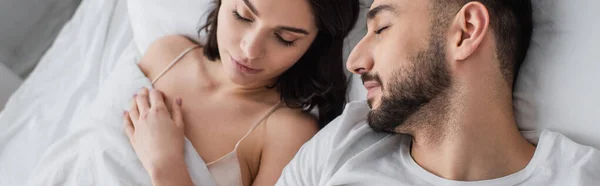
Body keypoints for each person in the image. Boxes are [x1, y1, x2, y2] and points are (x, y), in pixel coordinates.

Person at [275, 0, 600, 185]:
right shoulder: (341, 143)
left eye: (382, 29)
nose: (354, 61)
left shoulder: (582, 177)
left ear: (466, 32)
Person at [121, 0, 359, 185]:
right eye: (242, 16)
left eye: (284, 38)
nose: (250, 49)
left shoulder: (286, 132)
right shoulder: (166, 52)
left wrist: (167, 167)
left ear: (314, 45)